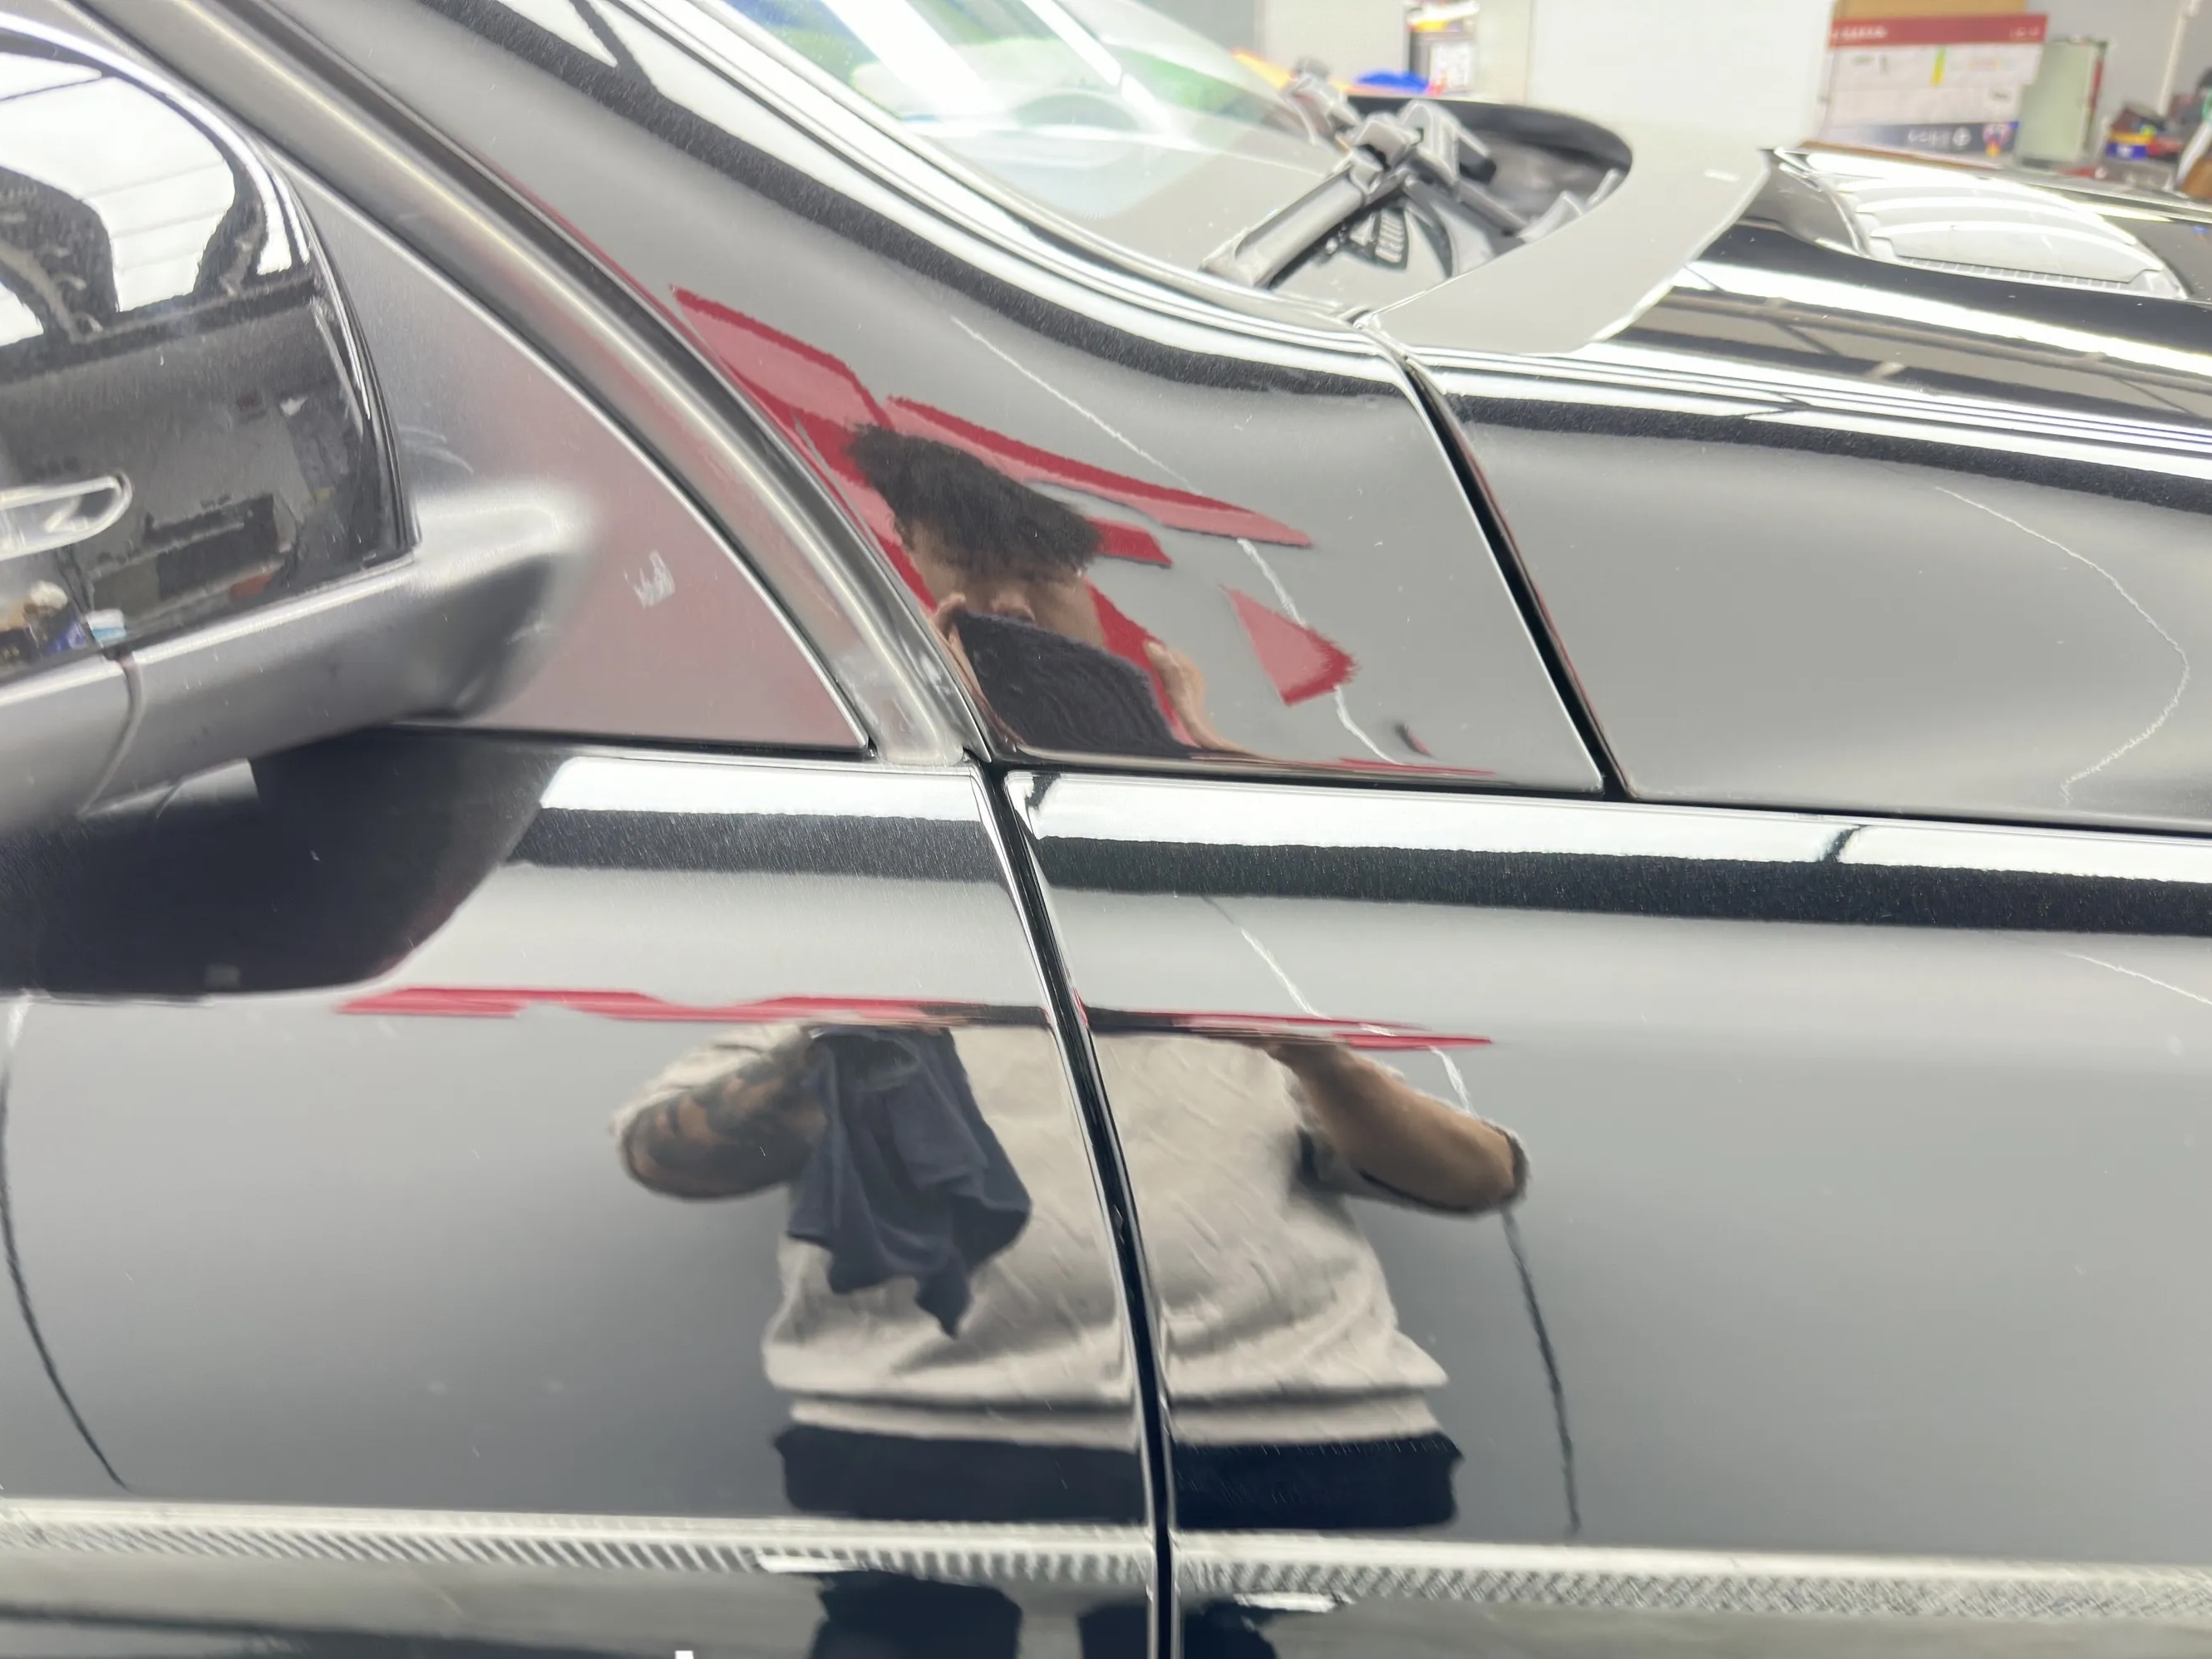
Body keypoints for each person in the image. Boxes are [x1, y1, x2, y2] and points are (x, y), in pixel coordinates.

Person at [613, 1017, 1524, 1657]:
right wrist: (824, 1048)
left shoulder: (1245, 1017)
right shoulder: (841, 1014)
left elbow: (1479, 1177)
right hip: (923, 1446)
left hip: (1271, 1450)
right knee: (907, 1635)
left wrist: (1320, 1059)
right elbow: (663, 1157)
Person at [845, 426, 1246, 756]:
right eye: (971, 568)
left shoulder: (1172, 681)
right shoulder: (870, 686)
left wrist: (1212, 753)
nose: (1012, 605)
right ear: (907, 542)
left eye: (1041, 576)